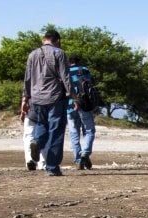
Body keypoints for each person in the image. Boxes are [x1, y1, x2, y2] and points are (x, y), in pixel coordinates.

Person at [21, 29, 71, 176]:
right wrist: (73, 96)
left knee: (41, 124)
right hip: (55, 97)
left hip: (36, 97)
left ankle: (37, 141)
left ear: (44, 39)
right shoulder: (59, 53)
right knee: (56, 131)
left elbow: (27, 78)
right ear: (58, 41)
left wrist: (25, 98)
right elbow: (65, 76)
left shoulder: (32, 54)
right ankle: (52, 167)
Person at [67, 54, 96, 170]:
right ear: (79, 61)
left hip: (69, 105)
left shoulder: (65, 71)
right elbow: (92, 84)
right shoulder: (84, 70)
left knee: (74, 133)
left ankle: (78, 161)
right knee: (89, 130)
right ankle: (85, 152)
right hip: (84, 104)